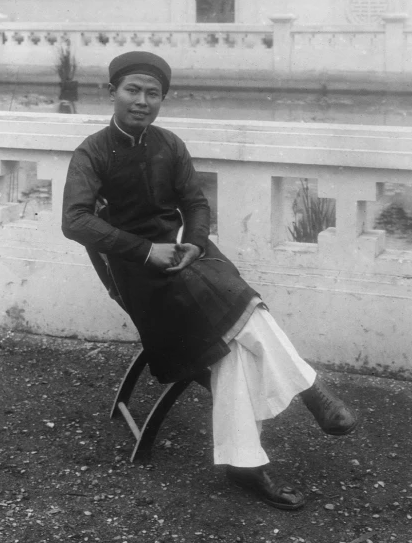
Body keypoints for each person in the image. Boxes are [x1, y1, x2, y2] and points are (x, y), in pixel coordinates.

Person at [62, 51, 358, 511]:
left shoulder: (170, 145)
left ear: (163, 99)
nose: (142, 101)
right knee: (243, 306)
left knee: (232, 340)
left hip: (189, 257)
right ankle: (310, 392)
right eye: (132, 91)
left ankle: (246, 464)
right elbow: (75, 221)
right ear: (112, 93)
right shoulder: (93, 153)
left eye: (152, 94)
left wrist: (196, 242)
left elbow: (196, 204)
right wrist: (144, 250)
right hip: (140, 275)